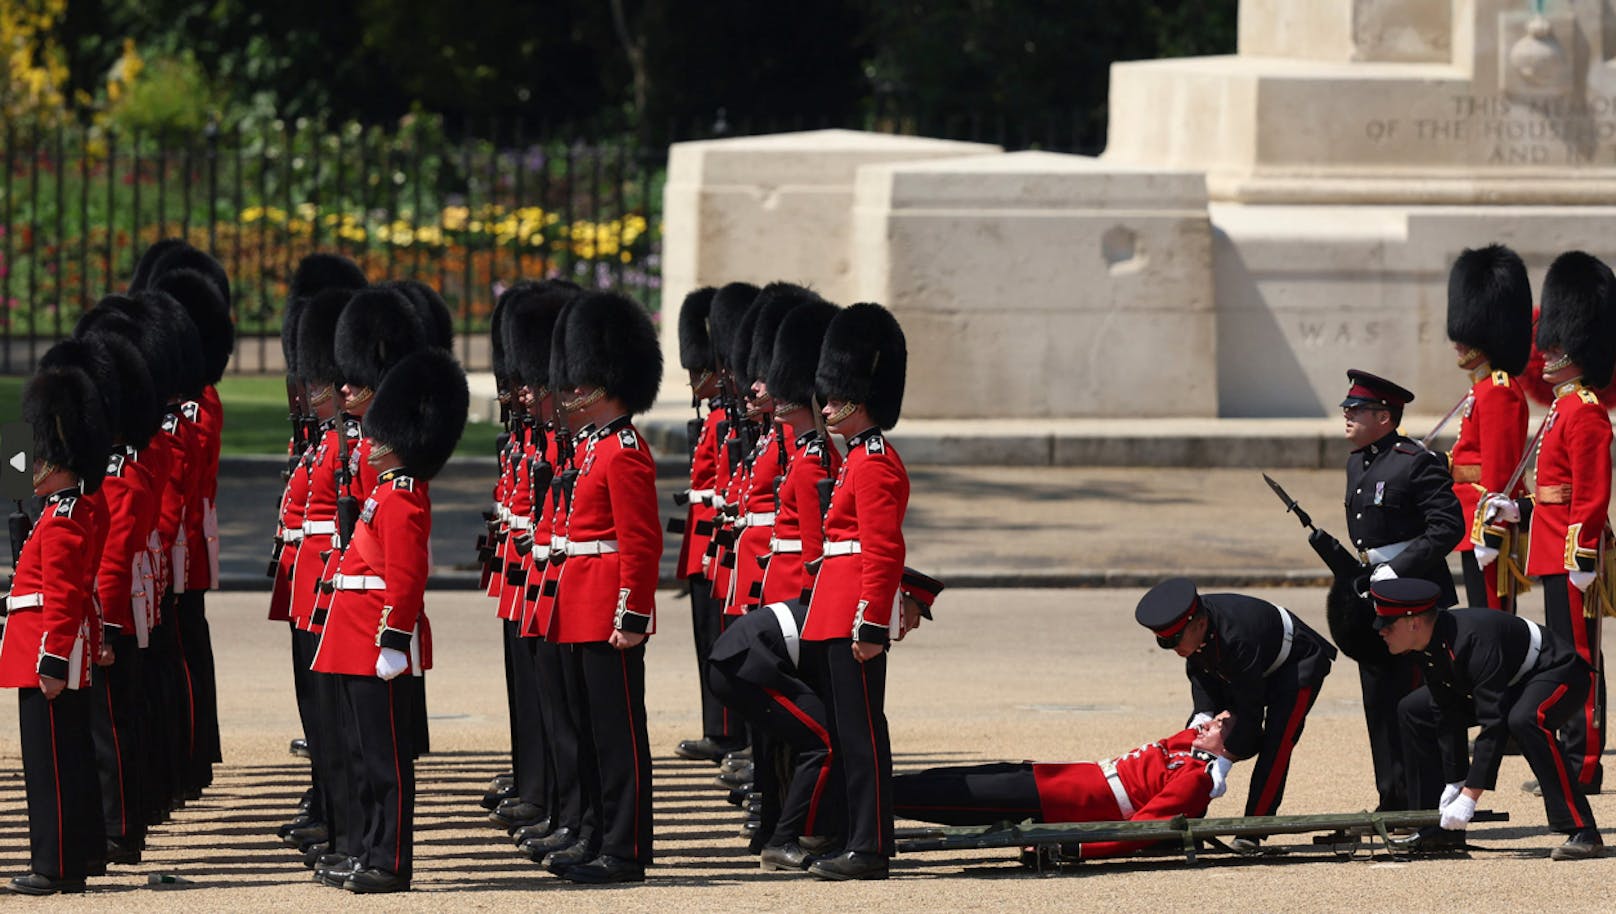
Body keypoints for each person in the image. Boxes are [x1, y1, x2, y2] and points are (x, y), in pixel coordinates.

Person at [310, 347, 468, 893]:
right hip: (354, 635)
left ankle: (390, 861)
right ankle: (369, 850)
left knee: (386, 762)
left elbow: (406, 577)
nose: (369, 442)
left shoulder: (402, 497)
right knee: (362, 755)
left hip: (378, 638)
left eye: (381, 435)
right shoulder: (384, 491)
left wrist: (394, 639)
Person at [538, 291, 663, 885]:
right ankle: (594, 834)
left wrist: (633, 614)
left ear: (606, 380)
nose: (569, 389)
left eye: (581, 378)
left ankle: (626, 848)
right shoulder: (592, 449)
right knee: (587, 732)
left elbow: (641, 544)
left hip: (609, 610)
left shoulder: (625, 451)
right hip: (578, 604)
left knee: (618, 737)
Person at [708, 568, 942, 871]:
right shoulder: (855, 619)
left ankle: (772, 833)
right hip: (746, 663)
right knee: (825, 742)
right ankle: (783, 841)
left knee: (799, 739)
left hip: (747, 660)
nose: (916, 624)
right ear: (899, 598)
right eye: (917, 612)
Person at [1488, 250, 1616, 796]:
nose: (1546, 355)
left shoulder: (1585, 411)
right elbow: (1555, 488)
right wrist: (1519, 510)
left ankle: (1583, 762)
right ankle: (1569, 754)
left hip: (1573, 553)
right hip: (1550, 546)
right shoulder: (1562, 408)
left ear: (1578, 351)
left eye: (1557, 348)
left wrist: (1584, 553)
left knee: (1578, 657)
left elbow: (1592, 492)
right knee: (1564, 655)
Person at [1374, 578, 1603, 860]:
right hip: (1510, 681)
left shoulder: (1474, 640)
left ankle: (1583, 830)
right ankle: (1437, 826)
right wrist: (1455, 782)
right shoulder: (1425, 642)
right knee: (1414, 710)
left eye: (1388, 624)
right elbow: (1447, 712)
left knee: (1525, 719)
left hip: (1556, 670)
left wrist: (1470, 796)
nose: (1381, 631)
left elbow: (1493, 722)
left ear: (1414, 623)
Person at [799, 302, 910, 881]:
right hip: (834, 607)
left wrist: (869, 625)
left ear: (860, 397)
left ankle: (868, 847)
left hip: (854, 617)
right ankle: (852, 836)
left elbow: (884, 551)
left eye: (837, 395)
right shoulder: (852, 462)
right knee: (846, 735)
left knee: (862, 737)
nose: (827, 404)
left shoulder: (873, 464)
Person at [1, 363, 112, 895]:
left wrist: (52, 659)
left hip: (47, 653)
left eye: (39, 456)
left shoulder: (65, 517)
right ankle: (77, 856)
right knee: (63, 760)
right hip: (47, 648)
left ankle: (56, 865)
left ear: (57, 462)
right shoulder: (59, 512)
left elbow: (65, 597)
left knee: (51, 770)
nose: (33, 465)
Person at [1340, 368, 1464, 810]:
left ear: (1385, 417)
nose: (1347, 415)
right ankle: (1392, 797)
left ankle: (1425, 799)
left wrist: (1401, 567)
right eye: (1348, 408)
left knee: (1418, 701)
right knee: (1379, 700)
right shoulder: (1358, 461)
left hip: (1415, 599)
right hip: (1376, 595)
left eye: (1357, 409)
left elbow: (1448, 527)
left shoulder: (1416, 461)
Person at [893, 713, 1236, 860]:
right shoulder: (1188, 747)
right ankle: (860, 794)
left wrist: (1078, 848)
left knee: (941, 797)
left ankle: (854, 803)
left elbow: (1139, 831)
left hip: (1057, 802)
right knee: (942, 779)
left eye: (1219, 724)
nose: (1206, 723)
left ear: (1228, 746)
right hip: (1050, 777)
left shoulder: (1196, 779)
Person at [1134, 578, 1334, 829]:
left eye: (1174, 640)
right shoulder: (1195, 629)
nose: (1171, 648)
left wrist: (1224, 760)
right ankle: (1181, 822)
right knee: (1196, 740)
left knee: (1278, 741)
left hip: (1295, 663)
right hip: (1244, 667)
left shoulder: (1237, 639)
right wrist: (1202, 716)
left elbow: (1250, 714)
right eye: (1163, 642)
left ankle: (1254, 829)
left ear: (1200, 624)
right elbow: (1200, 672)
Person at [1444, 245, 1532, 613]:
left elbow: (1500, 475)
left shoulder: (1498, 391)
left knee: (1493, 621)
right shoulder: (1482, 388)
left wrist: (1491, 532)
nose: (1459, 342)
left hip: (1485, 524)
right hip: (1468, 520)